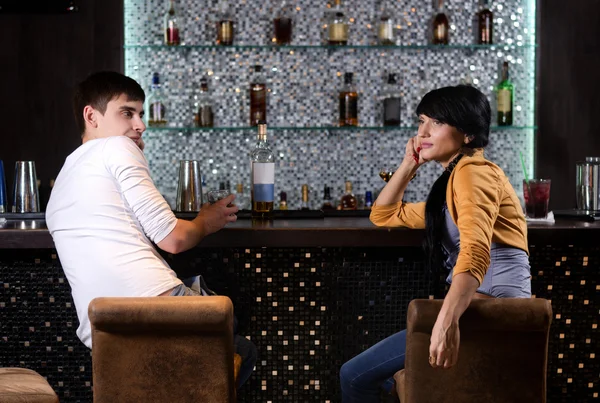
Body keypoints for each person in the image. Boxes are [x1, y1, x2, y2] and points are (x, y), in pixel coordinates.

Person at [46, 71, 257, 386]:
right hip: (155, 312)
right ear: (91, 115)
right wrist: (206, 220)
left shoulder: (64, 175)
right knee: (241, 344)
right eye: (127, 113)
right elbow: (173, 238)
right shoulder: (117, 148)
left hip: (103, 335)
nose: (140, 124)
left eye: (140, 114)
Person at [339, 85, 531, 402]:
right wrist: (409, 165)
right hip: (479, 306)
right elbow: (384, 215)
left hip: (491, 312)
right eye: (422, 121)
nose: (423, 132)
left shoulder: (474, 172)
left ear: (467, 134)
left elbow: (476, 251)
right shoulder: (455, 181)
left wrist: (445, 321)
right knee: (378, 376)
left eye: (436, 122)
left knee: (354, 376)